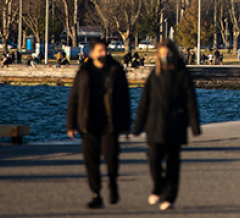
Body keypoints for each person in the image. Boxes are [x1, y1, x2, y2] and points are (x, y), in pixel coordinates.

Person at [133, 39, 201, 212]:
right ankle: (158, 185)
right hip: (155, 124)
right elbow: (145, 101)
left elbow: (190, 100)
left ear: (174, 54)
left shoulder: (182, 74)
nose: (165, 56)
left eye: (168, 53)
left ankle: (169, 197)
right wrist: (138, 125)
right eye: (162, 54)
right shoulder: (154, 75)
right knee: (153, 158)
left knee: (173, 162)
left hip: (175, 124)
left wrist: (194, 125)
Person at [66, 37, 130, 209]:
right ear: (92, 53)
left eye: (105, 50)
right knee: (91, 161)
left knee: (111, 157)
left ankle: (113, 184)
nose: (104, 53)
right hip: (89, 123)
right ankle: (96, 193)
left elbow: (124, 98)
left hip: (110, 122)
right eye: (100, 51)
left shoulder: (116, 70)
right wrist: (71, 124)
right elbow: (74, 98)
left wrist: (126, 124)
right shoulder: (84, 72)